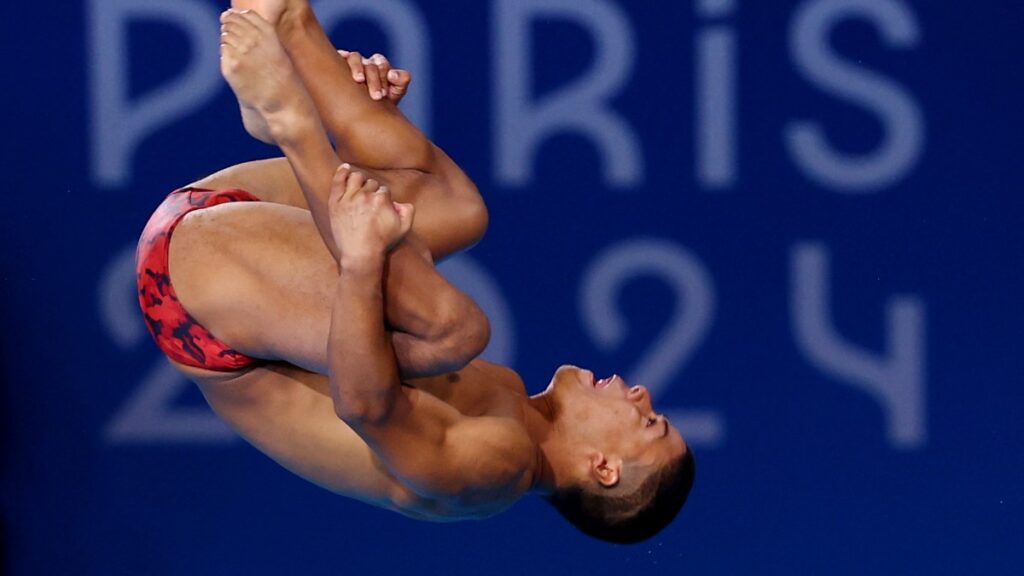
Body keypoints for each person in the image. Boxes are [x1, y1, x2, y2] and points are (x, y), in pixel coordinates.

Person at [136, 0, 694, 543]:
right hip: (224, 224)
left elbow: (367, 406)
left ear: (604, 468)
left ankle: (287, 115)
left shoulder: (495, 472)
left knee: (456, 330)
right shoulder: (511, 406)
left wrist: (359, 260)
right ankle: (291, 28)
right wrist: (367, 111)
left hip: (196, 303)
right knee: (456, 209)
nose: (641, 393)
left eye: (648, 423)